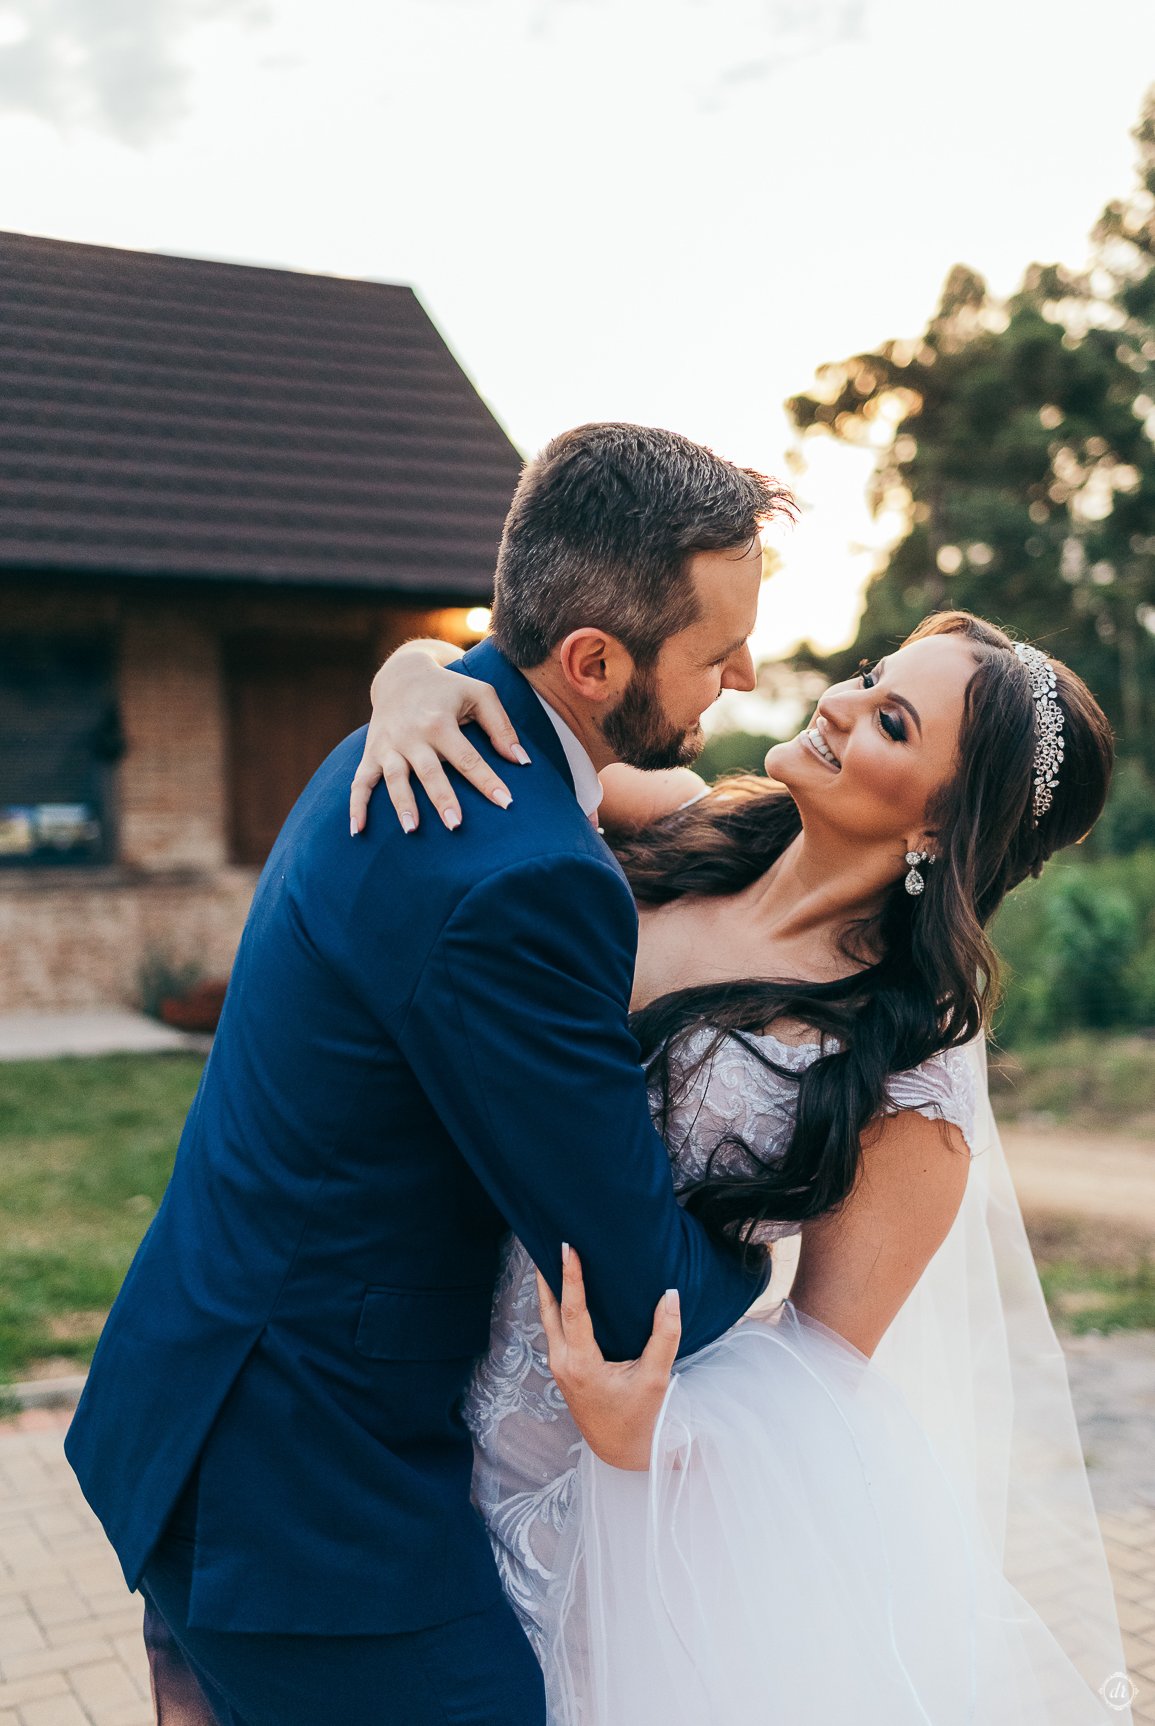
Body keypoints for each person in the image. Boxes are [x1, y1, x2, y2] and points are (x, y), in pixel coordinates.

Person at [63, 424, 793, 1726]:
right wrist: (760, 1232)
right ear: (590, 660)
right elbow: (630, 1288)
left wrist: (412, 667)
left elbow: (608, 787)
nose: (741, 673)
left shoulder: (421, 734)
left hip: (199, 1401)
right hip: (300, 1494)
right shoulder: (522, 876)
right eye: (712, 650)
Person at [353, 608, 1133, 1722]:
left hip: (587, 1485)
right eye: (870, 677)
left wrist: (653, 1433)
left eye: (891, 720)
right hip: (401, 1376)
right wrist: (407, 678)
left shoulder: (908, 1069)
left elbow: (824, 1359)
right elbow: (495, 709)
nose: (840, 700)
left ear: (941, 823)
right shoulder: (682, 817)